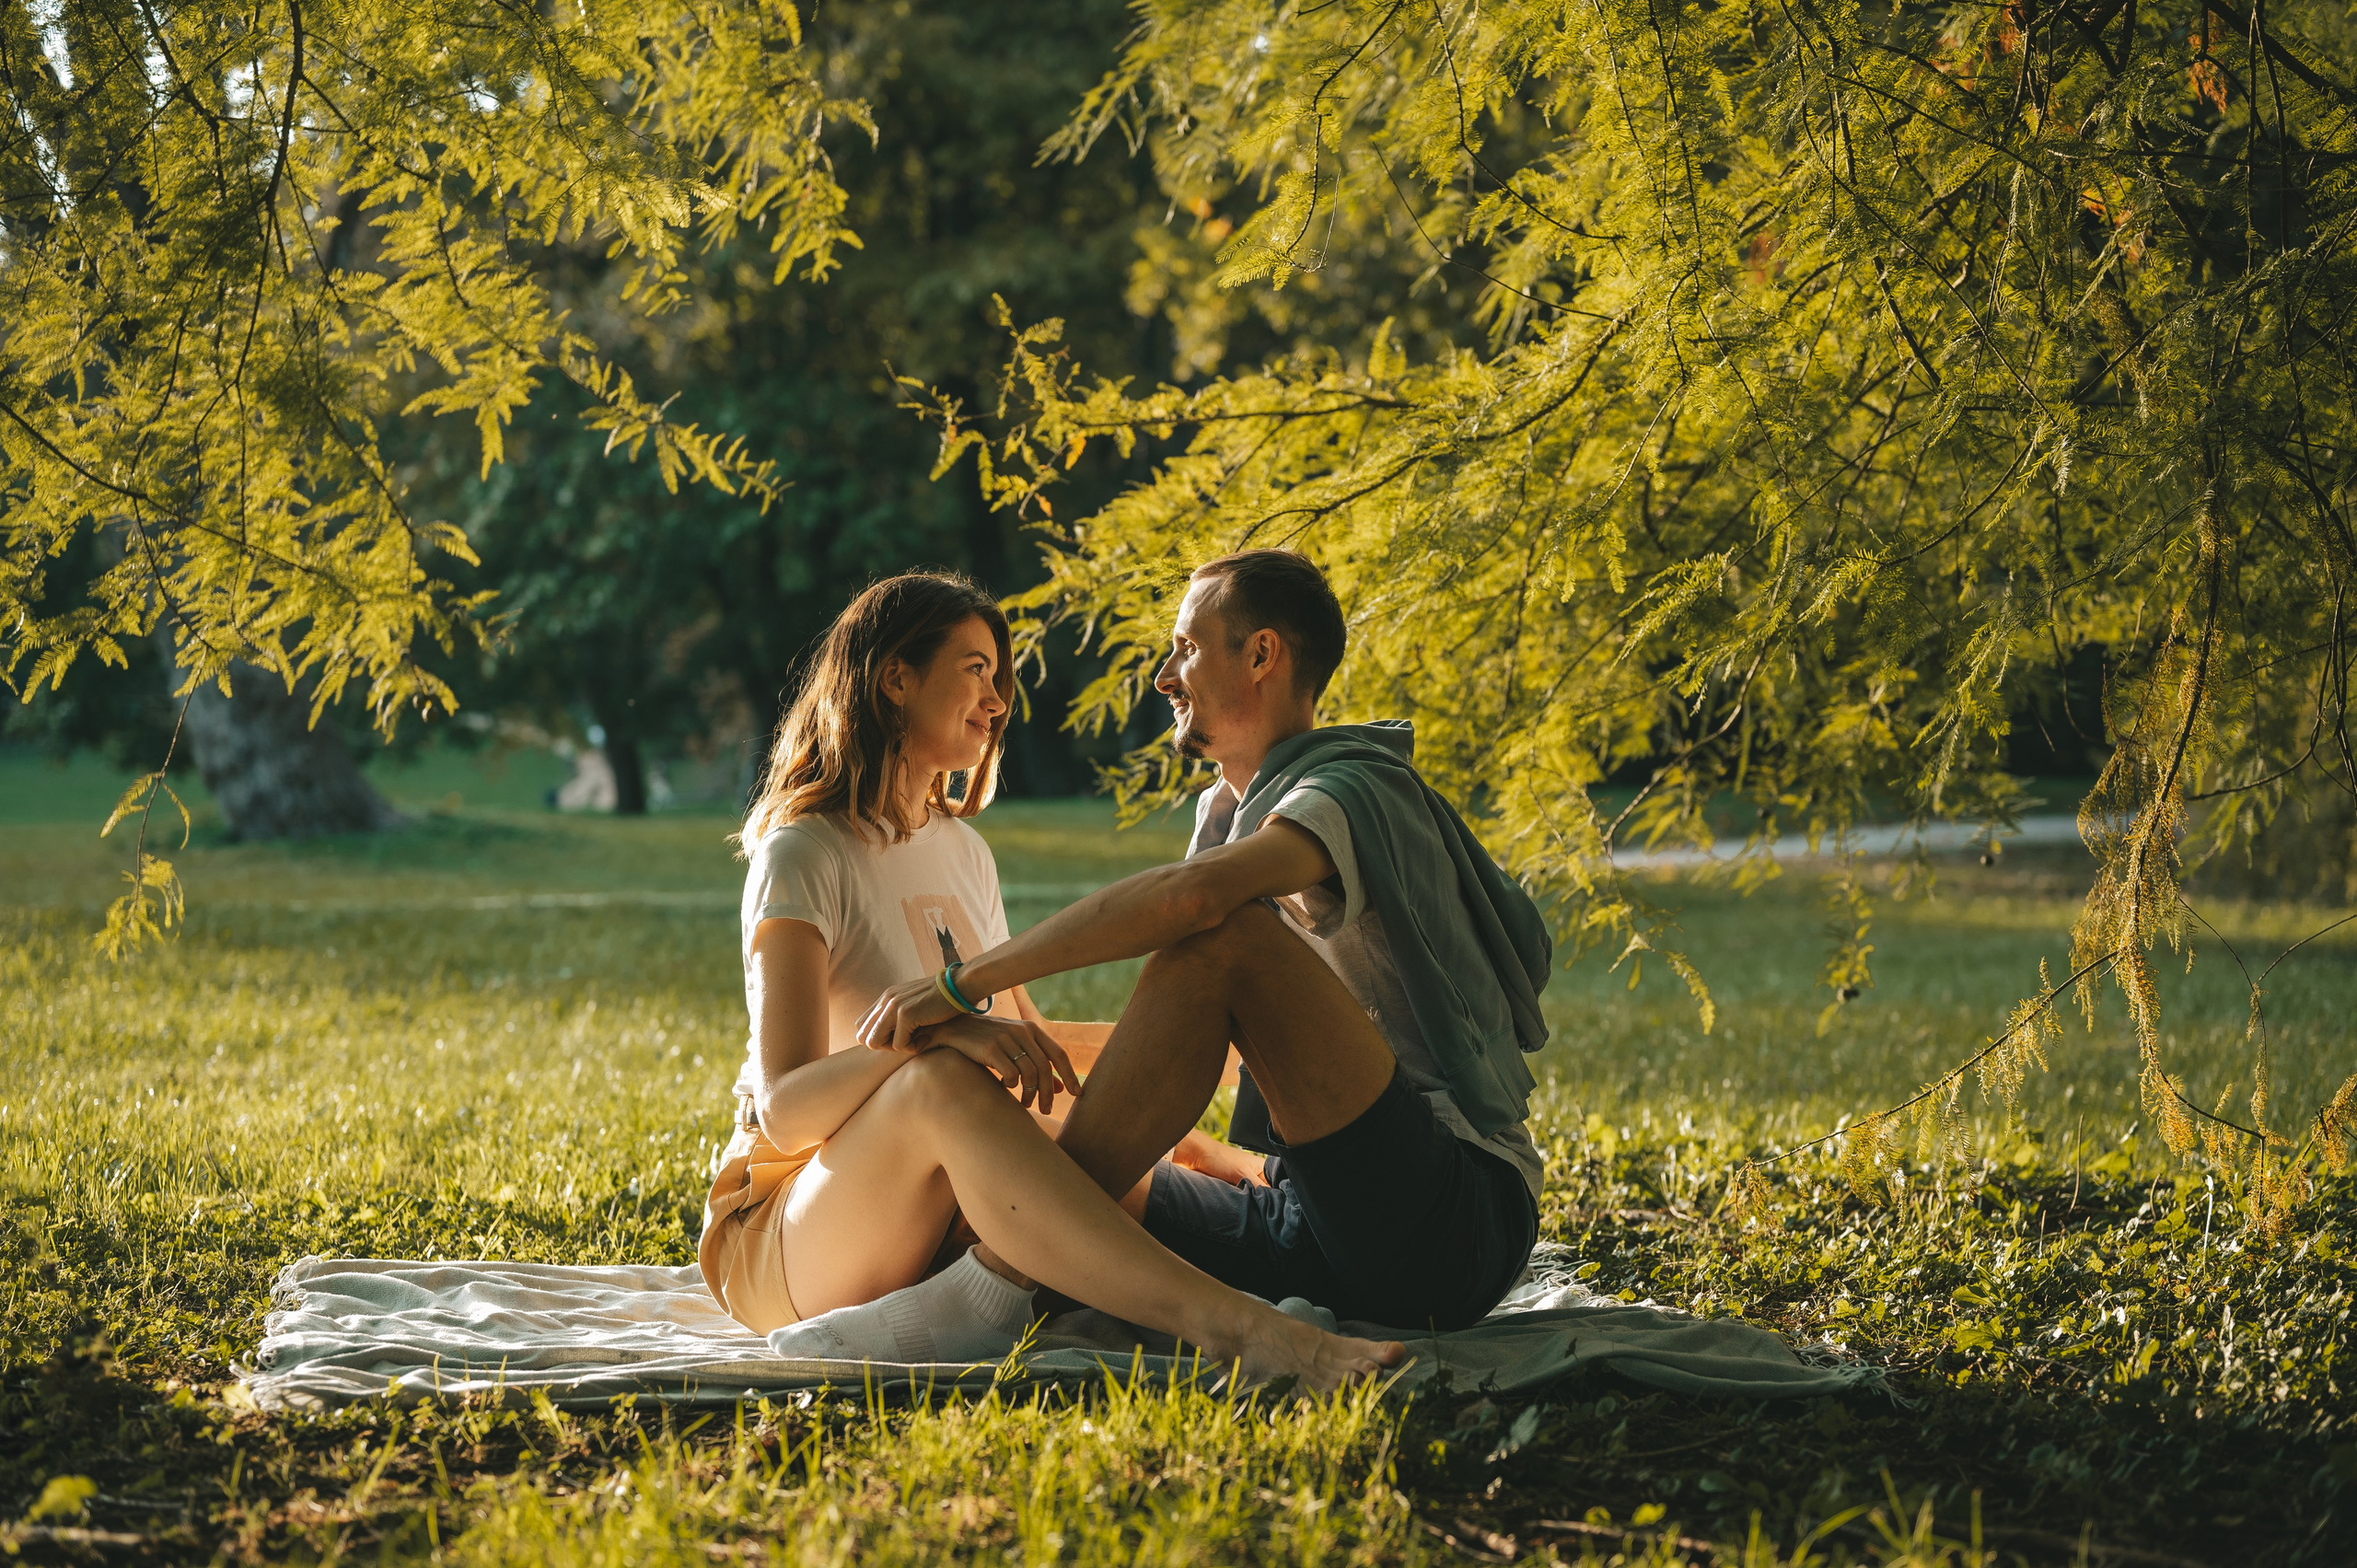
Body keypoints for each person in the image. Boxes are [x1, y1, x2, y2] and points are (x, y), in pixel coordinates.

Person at [702, 570, 1405, 1389]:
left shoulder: (965, 853)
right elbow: (785, 1108)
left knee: (1102, 1129)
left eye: (1000, 678)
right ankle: (1241, 1331)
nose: (998, 699)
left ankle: (1085, 1299)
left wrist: (1186, 1094)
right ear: (895, 676)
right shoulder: (805, 851)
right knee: (938, 1081)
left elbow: (1027, 1056)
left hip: (932, 1216)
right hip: (790, 1226)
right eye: (975, 670)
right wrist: (941, 1036)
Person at [861, 550, 1550, 1332]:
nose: (1164, 675)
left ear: (1261, 654)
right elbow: (1197, 1044)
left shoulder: (1354, 788)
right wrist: (1191, 1149)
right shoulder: (1227, 811)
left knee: (1227, 937)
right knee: (1011, 1166)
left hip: (1448, 1218)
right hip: (1308, 1211)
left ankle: (1001, 1277)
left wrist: (962, 983)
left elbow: (1192, 905)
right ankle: (951, 1295)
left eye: (1187, 646)